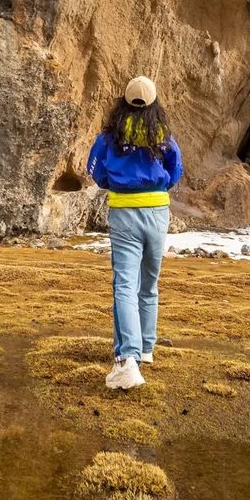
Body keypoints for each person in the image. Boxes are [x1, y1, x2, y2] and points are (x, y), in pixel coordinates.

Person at [86, 75, 183, 390]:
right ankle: (145, 348)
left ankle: (126, 361)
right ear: (154, 104)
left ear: (123, 103)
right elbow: (175, 170)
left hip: (125, 211)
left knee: (125, 285)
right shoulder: (163, 136)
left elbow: (95, 171)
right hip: (158, 211)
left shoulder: (109, 137)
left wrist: (115, 181)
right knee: (149, 282)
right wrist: (159, 184)